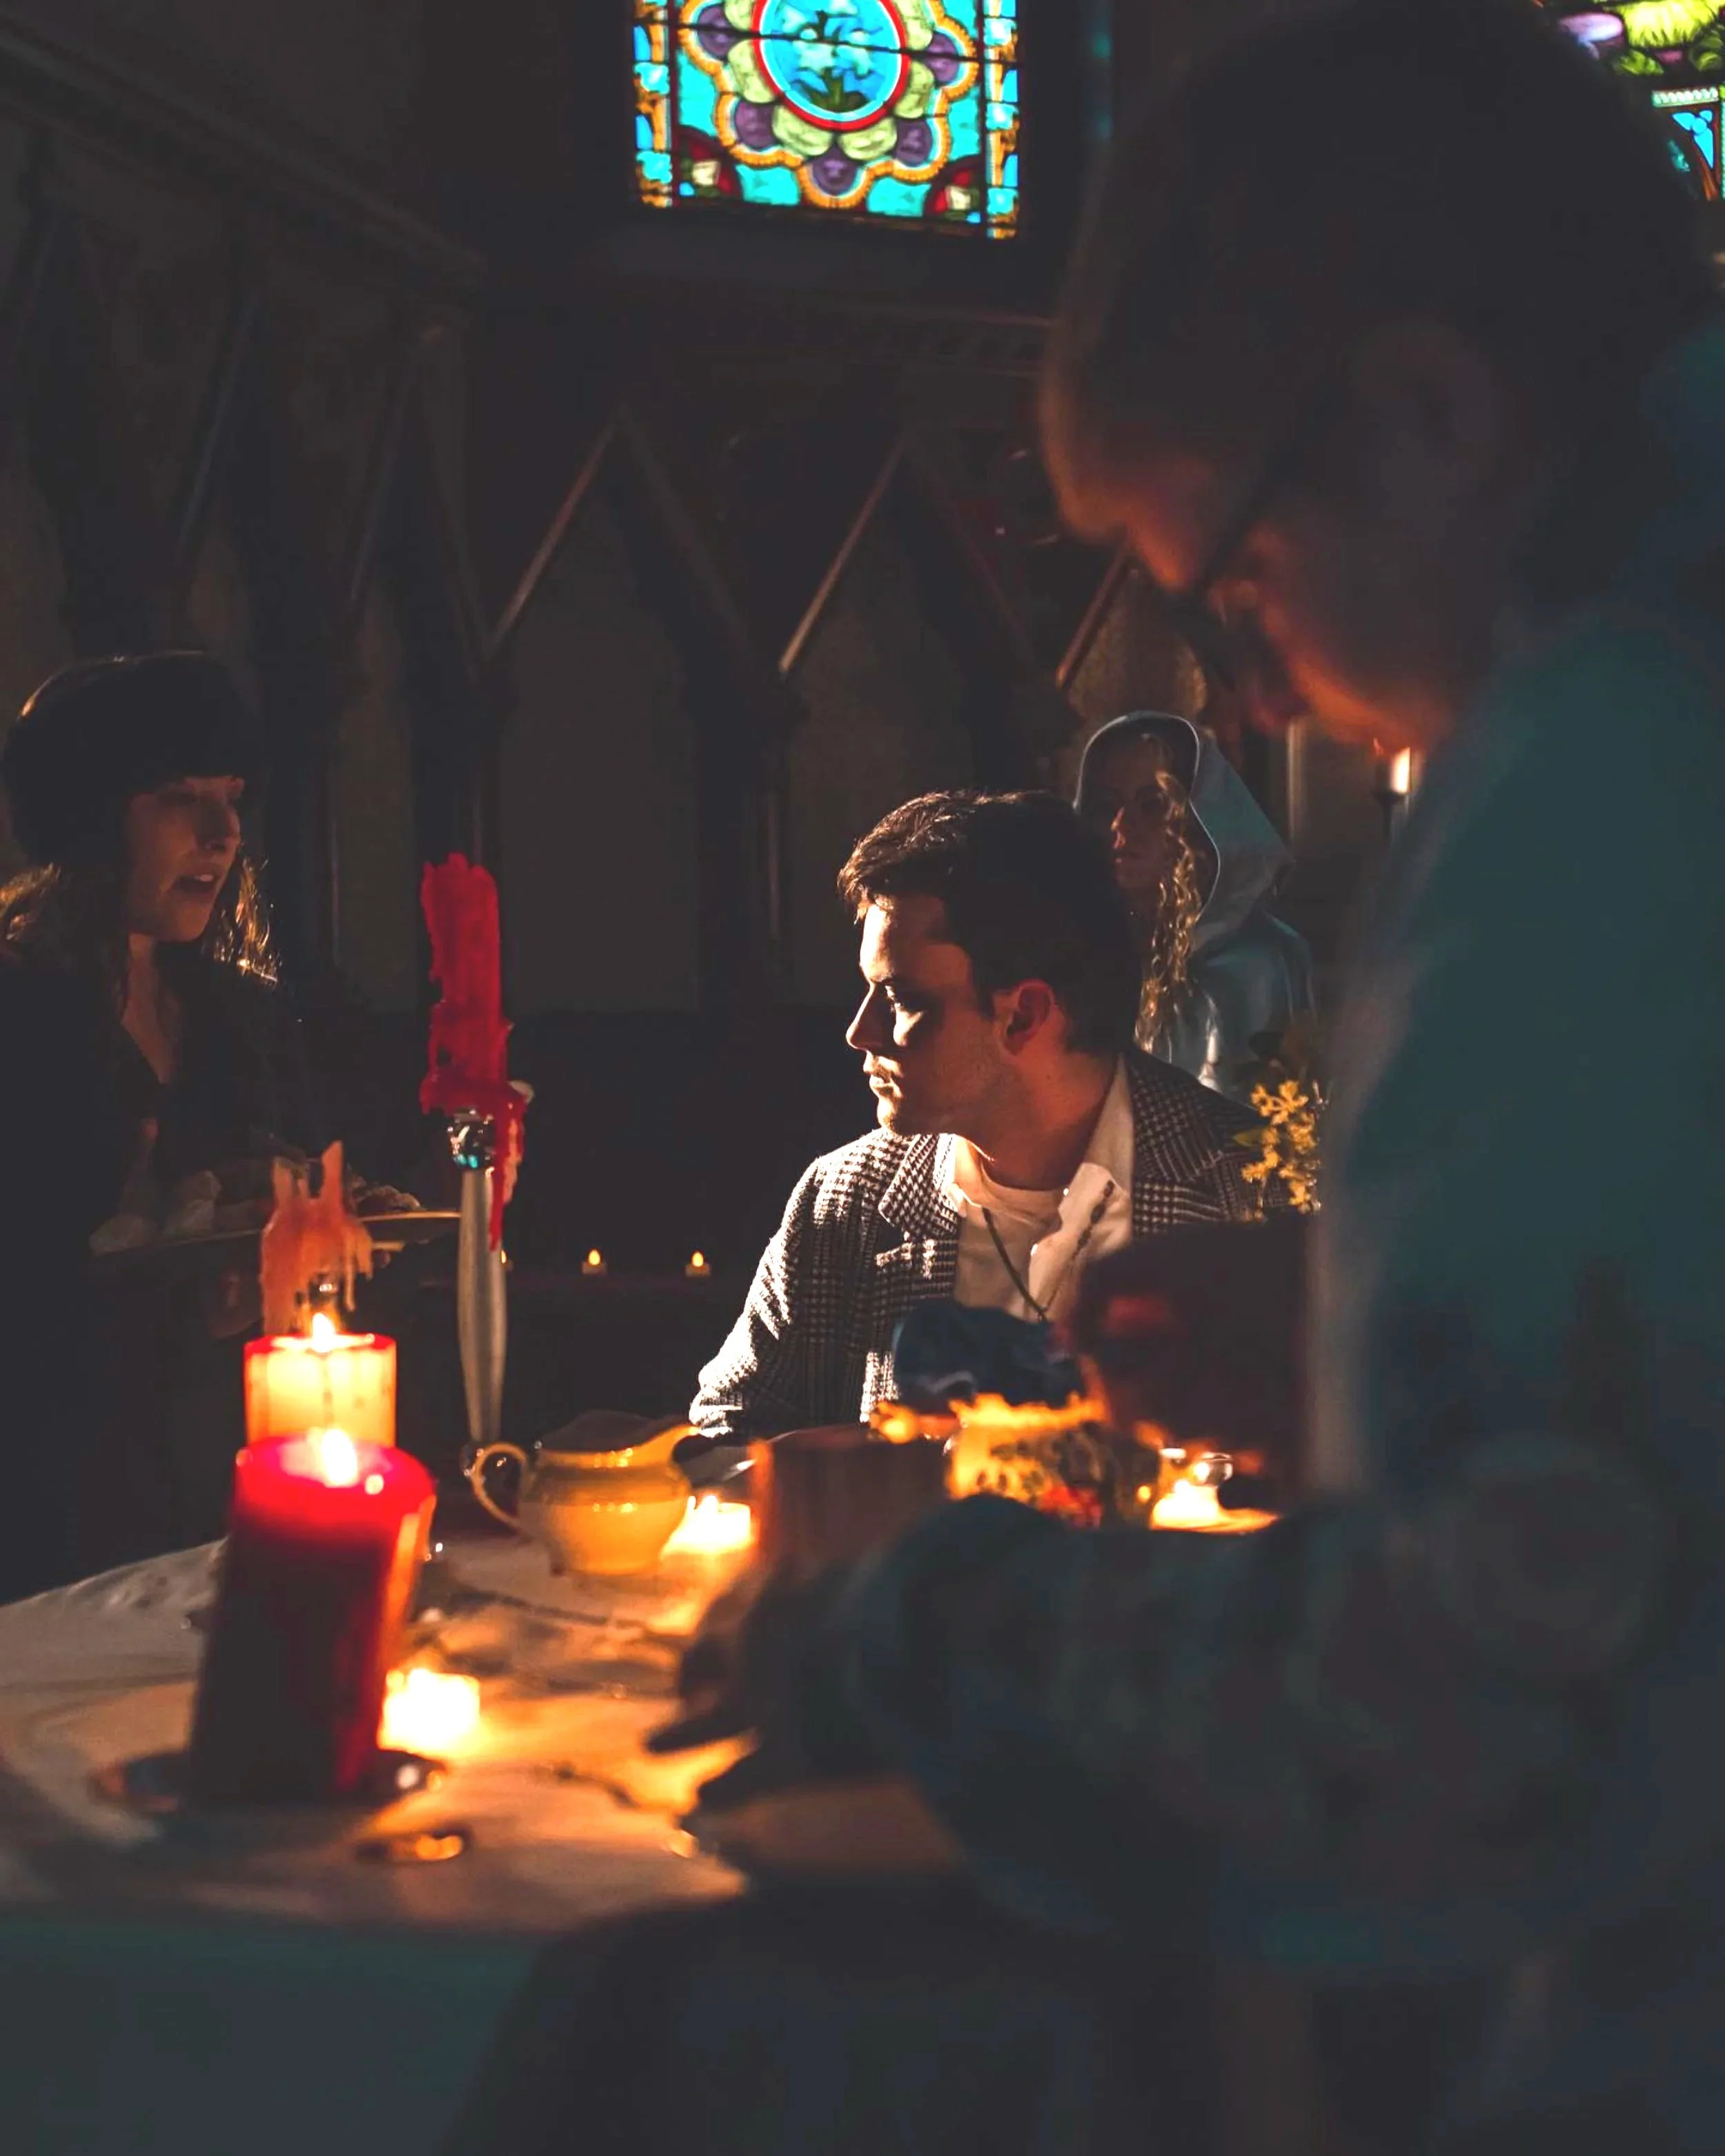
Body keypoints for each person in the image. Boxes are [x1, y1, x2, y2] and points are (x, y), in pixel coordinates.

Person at [661, 7, 1725, 2147]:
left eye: (1232, 579)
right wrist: (1363, 1324)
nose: (1237, 690)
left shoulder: (1596, 752)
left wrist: (904, 1626)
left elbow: (1481, 1711)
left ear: (1425, 412)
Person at [685, 791, 1269, 1479]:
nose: (859, 1032)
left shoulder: (1247, 1187)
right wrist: (872, 1462)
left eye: (901, 999)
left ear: (1024, 1014)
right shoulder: (844, 1199)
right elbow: (722, 1440)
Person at [0, 652, 317, 1595]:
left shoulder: (229, 1011)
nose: (224, 834)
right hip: (48, 1496)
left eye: (233, 797)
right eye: (181, 797)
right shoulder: (22, 1008)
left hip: (206, 1478)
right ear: (93, 816)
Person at [1074, 709, 1314, 1097]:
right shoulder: (1081, 954)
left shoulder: (1255, 963)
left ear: (1198, 822)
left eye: (1151, 805)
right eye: (1106, 806)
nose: (1119, 826)